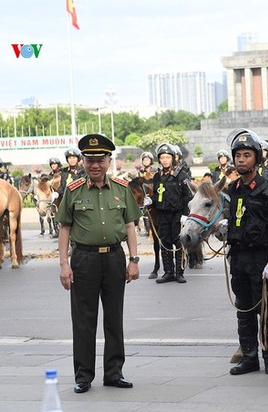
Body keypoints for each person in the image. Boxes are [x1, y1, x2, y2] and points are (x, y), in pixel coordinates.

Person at [56, 133, 141, 394]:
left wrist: (134, 260)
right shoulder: (73, 191)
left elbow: (129, 225)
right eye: (89, 160)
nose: (95, 165)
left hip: (115, 258)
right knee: (83, 320)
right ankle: (83, 375)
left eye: (100, 159)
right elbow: (64, 228)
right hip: (84, 259)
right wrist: (64, 265)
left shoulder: (121, 188)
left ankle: (114, 373)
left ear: (108, 160)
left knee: (114, 318)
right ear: (83, 161)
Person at [225, 129, 268, 376]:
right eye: (237, 155)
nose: (240, 160)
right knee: (244, 309)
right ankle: (249, 356)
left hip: (262, 259)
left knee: (267, 311)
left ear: (256, 159)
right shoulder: (232, 188)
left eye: (246, 155)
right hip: (238, 257)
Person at [149, 143, 193, 284]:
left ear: (173, 158)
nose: (165, 160)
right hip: (162, 215)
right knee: (164, 244)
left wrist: (185, 215)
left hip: (178, 215)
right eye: (162, 157)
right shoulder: (157, 177)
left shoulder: (181, 175)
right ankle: (168, 272)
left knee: (178, 243)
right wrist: (149, 201)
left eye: (168, 157)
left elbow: (188, 196)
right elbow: (156, 195)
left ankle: (179, 273)